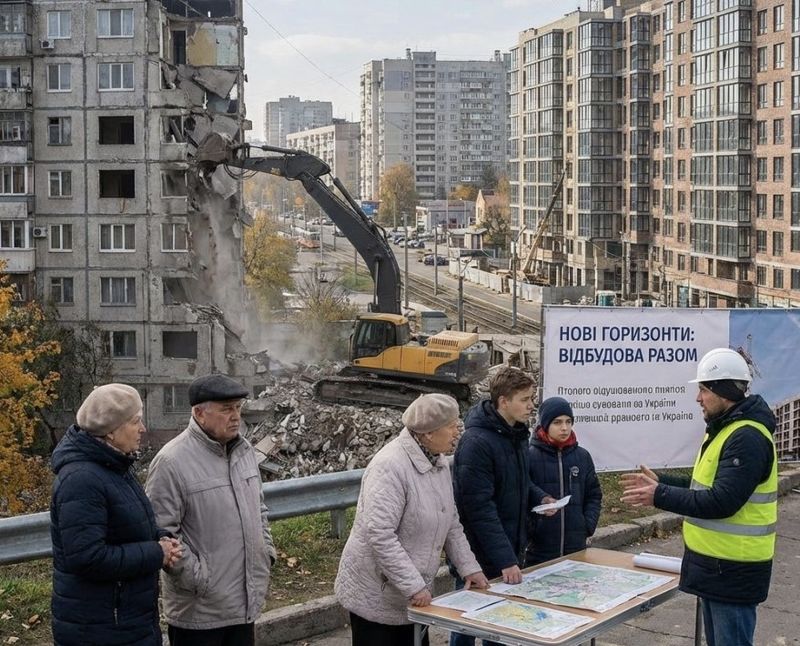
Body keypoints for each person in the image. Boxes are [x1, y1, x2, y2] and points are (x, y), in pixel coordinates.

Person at [620, 348, 777, 646]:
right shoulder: (726, 429)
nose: (698, 398)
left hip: (733, 571)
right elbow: (704, 487)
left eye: (704, 389)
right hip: (718, 568)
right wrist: (662, 481)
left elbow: (722, 501)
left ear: (724, 391)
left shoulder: (746, 438)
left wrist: (659, 495)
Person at [335, 394, 488, 646]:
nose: (456, 432)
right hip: (379, 594)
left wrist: (469, 567)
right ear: (428, 433)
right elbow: (380, 535)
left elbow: (450, 521)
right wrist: (414, 586)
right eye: (451, 426)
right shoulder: (390, 466)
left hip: (413, 596)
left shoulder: (436, 461)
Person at [145, 374, 277, 646]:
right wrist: (199, 579)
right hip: (199, 612)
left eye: (238, 408)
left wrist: (266, 553)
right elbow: (161, 532)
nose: (235, 417)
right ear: (199, 413)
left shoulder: (244, 451)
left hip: (243, 604)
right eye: (226, 409)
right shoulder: (171, 461)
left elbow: (259, 509)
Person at [50, 384, 182, 646]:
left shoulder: (114, 466)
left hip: (125, 621)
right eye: (136, 422)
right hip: (99, 628)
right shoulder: (82, 479)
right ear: (111, 431)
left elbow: (129, 524)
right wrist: (156, 553)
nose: (142, 429)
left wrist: (161, 538)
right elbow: (87, 558)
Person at [451, 366, 535, 646]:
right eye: (525, 399)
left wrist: (542, 499)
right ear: (503, 402)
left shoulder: (517, 435)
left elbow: (518, 484)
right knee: (467, 626)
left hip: (507, 548)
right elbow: (478, 509)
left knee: (499, 628)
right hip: (478, 557)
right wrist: (505, 560)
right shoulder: (476, 443)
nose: (531, 406)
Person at [524, 396, 602, 566]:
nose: (564, 428)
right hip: (539, 550)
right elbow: (523, 492)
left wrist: (586, 526)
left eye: (568, 422)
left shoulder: (582, 456)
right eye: (557, 422)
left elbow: (593, 495)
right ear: (545, 424)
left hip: (576, 548)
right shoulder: (529, 456)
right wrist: (531, 530)